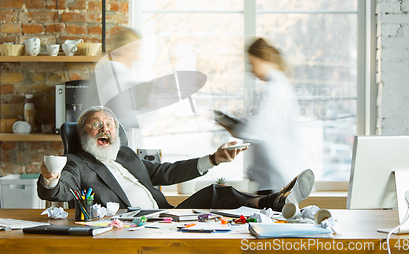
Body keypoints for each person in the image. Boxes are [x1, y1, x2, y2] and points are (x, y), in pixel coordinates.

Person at [38, 106, 314, 210]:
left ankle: (274, 201)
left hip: (163, 216)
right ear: (82, 132)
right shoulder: (76, 162)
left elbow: (165, 173)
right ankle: (276, 202)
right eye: (96, 124)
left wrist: (214, 159)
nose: (105, 128)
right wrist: (50, 177)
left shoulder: (125, 154)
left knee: (218, 193)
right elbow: (59, 190)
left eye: (109, 124)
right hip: (130, 225)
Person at [218, 37, 308, 195]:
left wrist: (227, 123)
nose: (251, 70)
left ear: (264, 60)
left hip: (275, 181)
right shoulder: (282, 86)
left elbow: (250, 131)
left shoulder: (272, 90)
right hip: (277, 178)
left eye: (253, 64)